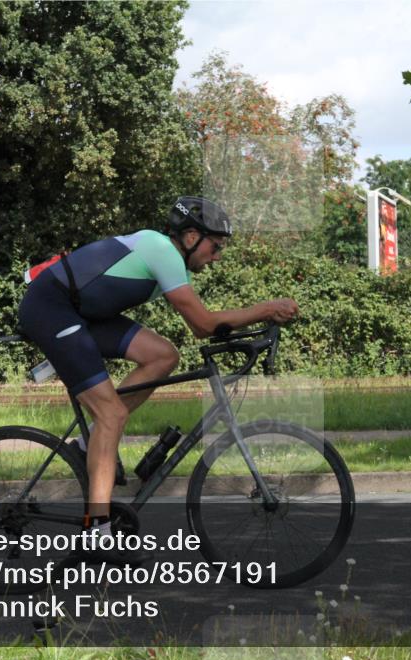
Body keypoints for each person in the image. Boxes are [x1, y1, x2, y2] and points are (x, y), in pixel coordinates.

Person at [18, 196, 299, 565]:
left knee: (163, 356)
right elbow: (203, 325)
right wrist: (266, 308)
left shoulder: (170, 260)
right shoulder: (161, 250)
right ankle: (96, 533)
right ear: (192, 237)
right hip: (51, 309)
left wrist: (254, 326)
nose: (217, 257)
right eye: (215, 247)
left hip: (80, 312)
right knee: (112, 415)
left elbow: (204, 327)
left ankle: (89, 444)